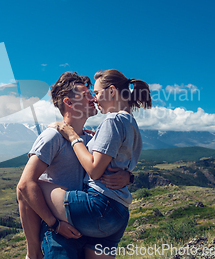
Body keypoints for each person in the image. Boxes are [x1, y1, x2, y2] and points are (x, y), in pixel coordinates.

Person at [16, 72, 132, 259]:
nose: (93, 98)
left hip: (85, 225)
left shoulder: (90, 139)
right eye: (86, 95)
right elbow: (25, 186)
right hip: (58, 232)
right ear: (69, 102)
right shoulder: (52, 137)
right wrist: (54, 225)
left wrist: (128, 177)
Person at [42, 69, 152, 259]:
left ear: (111, 91)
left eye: (98, 93)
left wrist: (72, 136)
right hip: (119, 213)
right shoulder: (130, 122)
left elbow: (94, 170)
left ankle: (33, 252)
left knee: (35, 184)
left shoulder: (113, 120)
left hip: (99, 206)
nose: (95, 99)